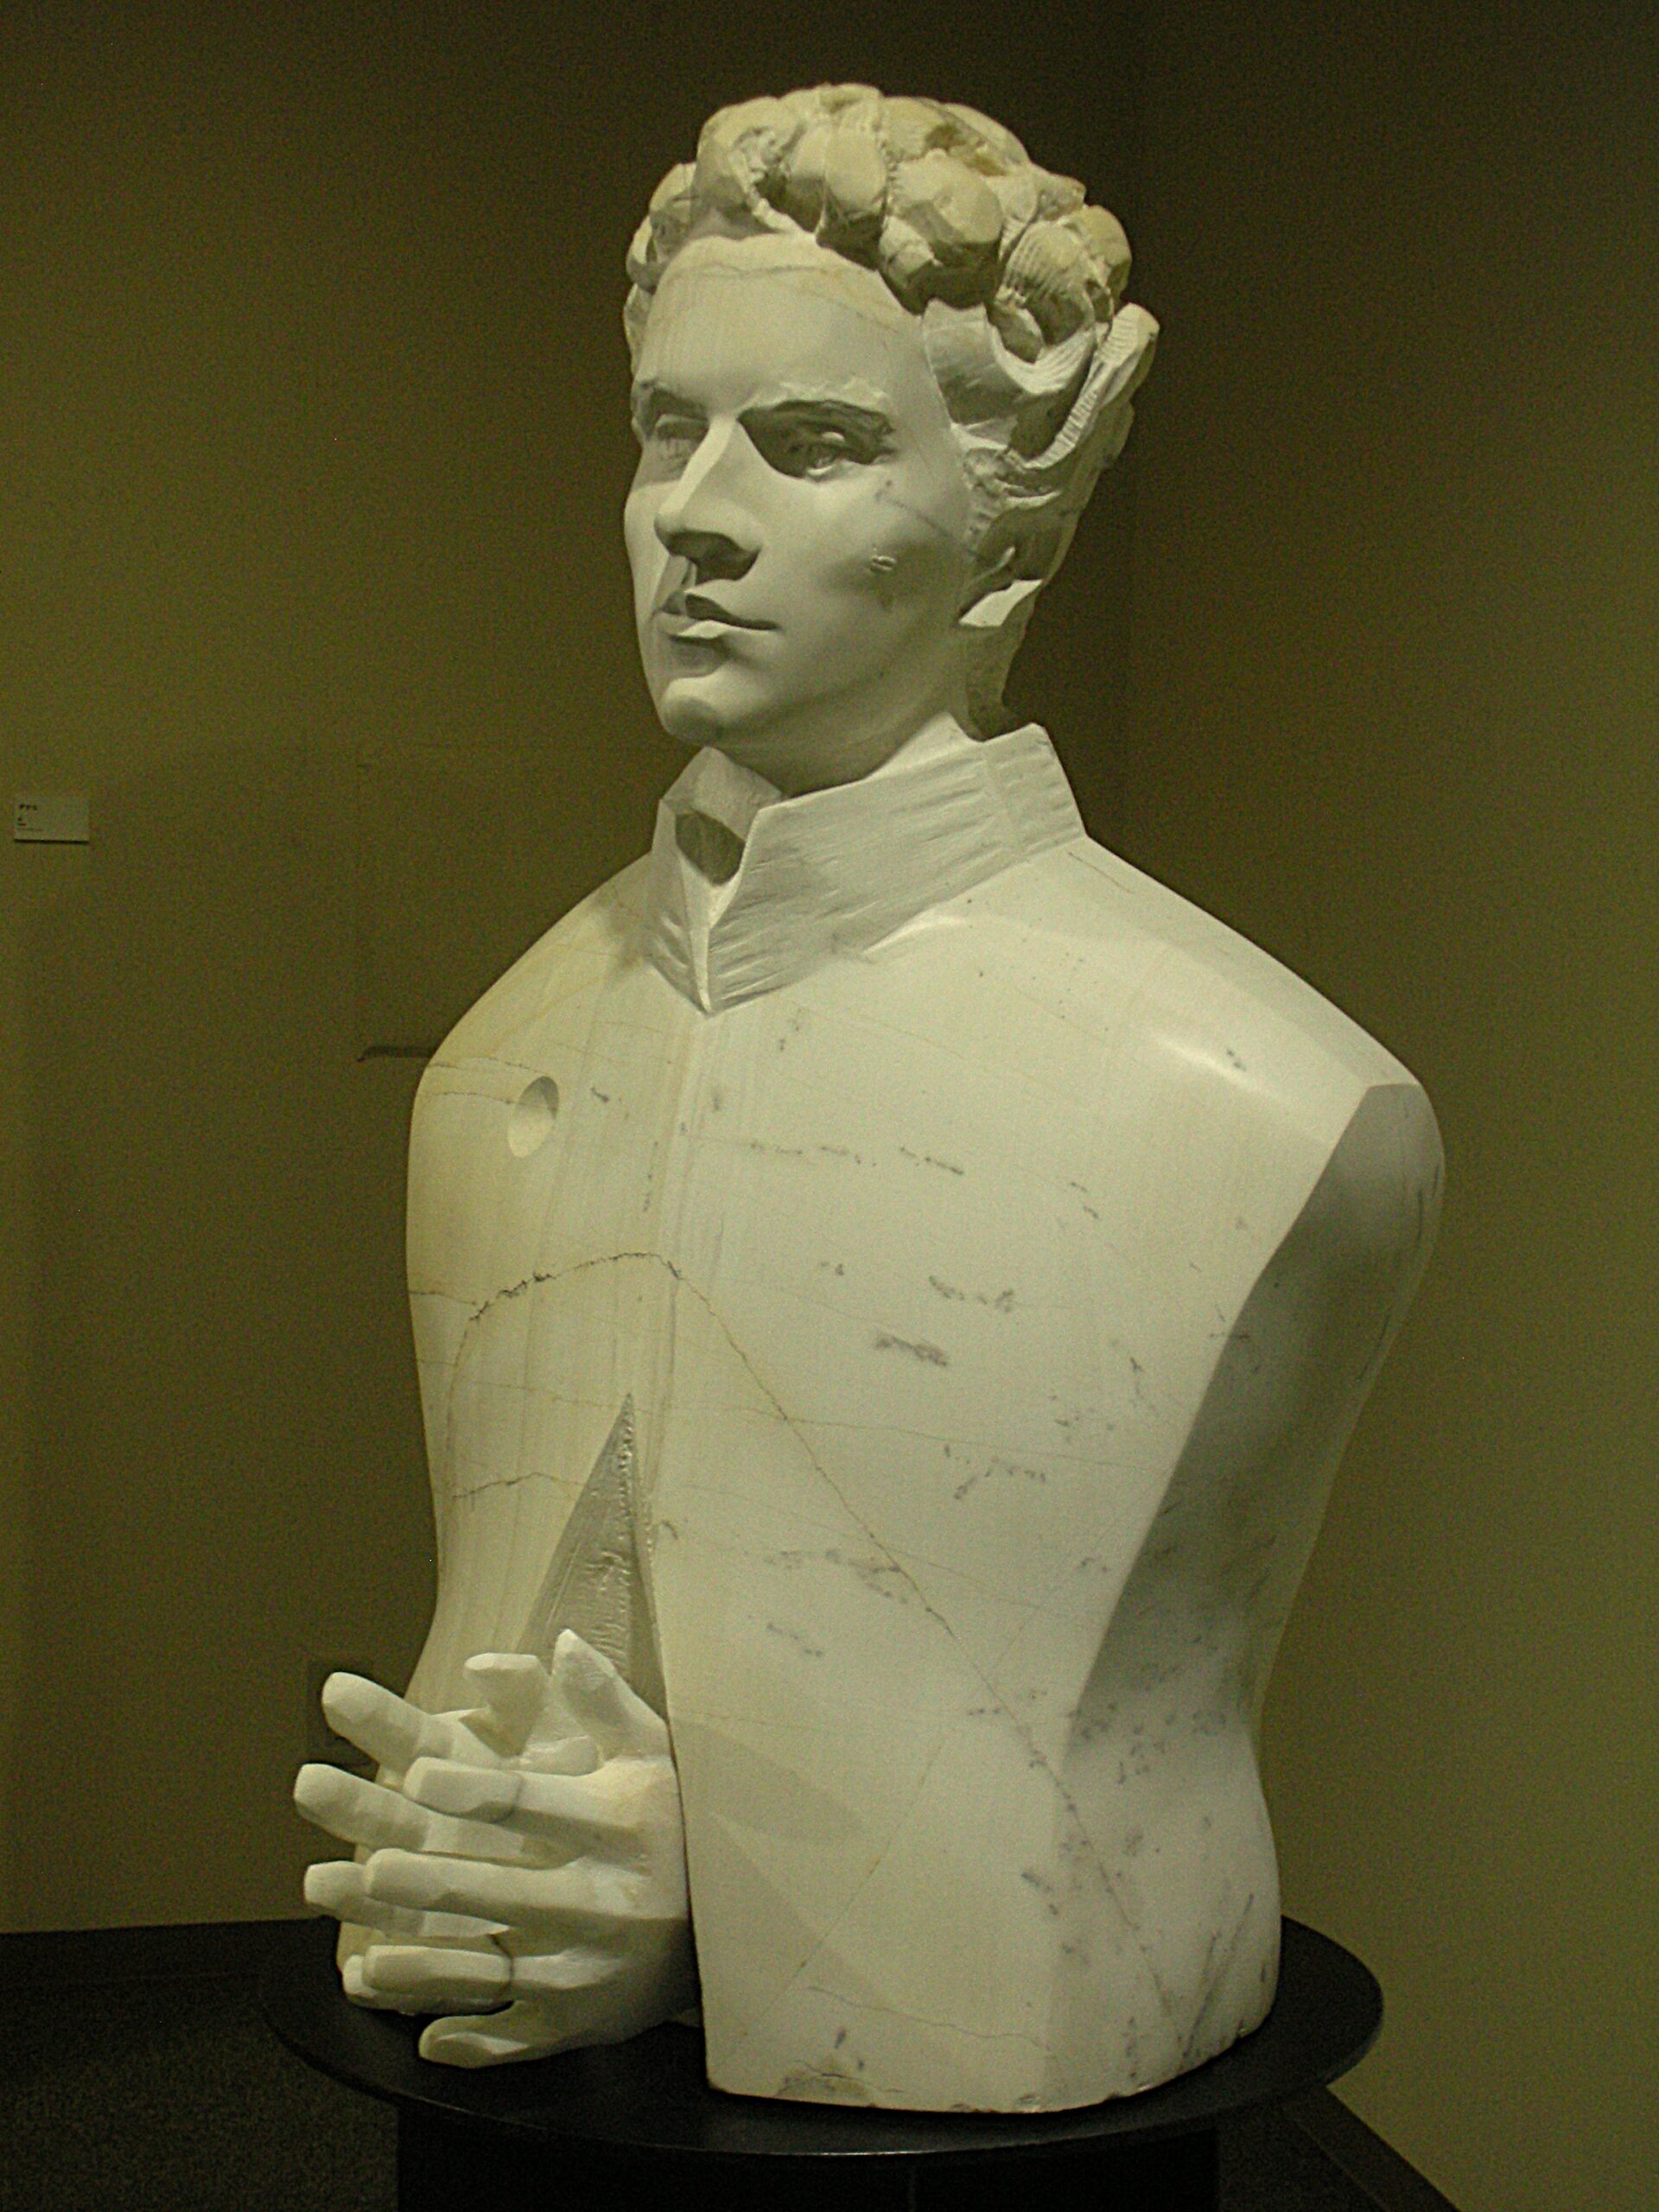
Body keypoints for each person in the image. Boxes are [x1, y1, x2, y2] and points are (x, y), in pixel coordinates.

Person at [296, 84, 1440, 2112]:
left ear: (1008, 514)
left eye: (813, 444)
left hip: (1011, 2040)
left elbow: (1038, 1754)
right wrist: (506, 1860)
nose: (697, 515)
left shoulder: (1269, 1102)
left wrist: (716, 1908)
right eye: (666, 430)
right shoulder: (497, 1060)